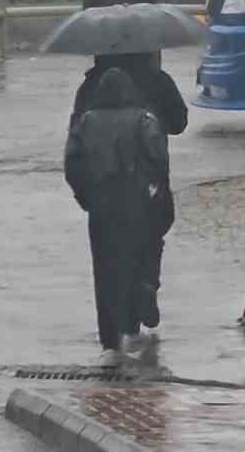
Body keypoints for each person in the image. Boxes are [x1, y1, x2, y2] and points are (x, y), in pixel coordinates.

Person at [69, 52, 188, 330]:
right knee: (149, 241)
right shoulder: (156, 80)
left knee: (105, 262)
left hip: (100, 195)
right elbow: (179, 123)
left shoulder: (91, 85)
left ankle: (111, 333)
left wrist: (84, 194)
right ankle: (145, 285)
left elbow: (74, 150)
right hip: (147, 187)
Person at [64, 68, 169, 365]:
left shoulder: (86, 122)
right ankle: (131, 323)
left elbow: (72, 164)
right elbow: (158, 158)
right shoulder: (143, 119)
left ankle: (109, 339)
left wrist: (85, 196)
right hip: (136, 204)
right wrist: (153, 190)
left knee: (105, 270)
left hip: (100, 206)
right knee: (134, 263)